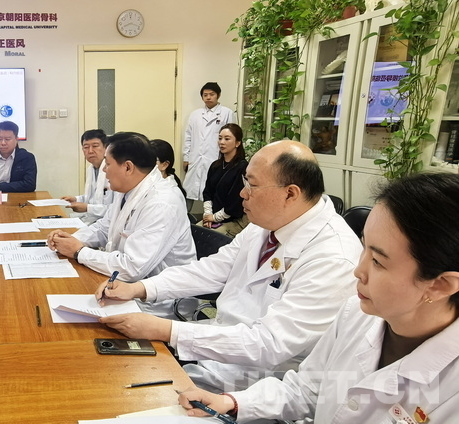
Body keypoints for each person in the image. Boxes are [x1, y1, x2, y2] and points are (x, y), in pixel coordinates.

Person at [179, 173, 459, 423]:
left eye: (378, 261)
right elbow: (308, 388)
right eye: (364, 248)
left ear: (441, 285)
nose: (358, 270)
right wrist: (234, 402)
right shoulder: (356, 313)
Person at [96, 140, 362, 392]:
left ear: (290, 193)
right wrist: (140, 288)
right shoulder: (268, 224)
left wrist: (167, 330)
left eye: (252, 185)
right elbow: (212, 269)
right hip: (214, 358)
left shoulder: (333, 258)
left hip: (256, 385)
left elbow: (268, 344)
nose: (242, 193)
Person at [48, 132, 195, 282]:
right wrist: (70, 240)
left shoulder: (161, 203)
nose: (104, 170)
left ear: (128, 167)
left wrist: (79, 252)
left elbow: (132, 267)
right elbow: (103, 228)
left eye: (108, 164)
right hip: (128, 282)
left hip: (161, 290)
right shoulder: (127, 189)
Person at [182, 82, 236, 210]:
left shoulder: (227, 113)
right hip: (196, 158)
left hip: (216, 159)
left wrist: (230, 160)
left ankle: (211, 217)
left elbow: (233, 137)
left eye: (212, 94)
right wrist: (186, 157)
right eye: (205, 95)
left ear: (218, 95)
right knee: (189, 190)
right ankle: (184, 216)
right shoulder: (195, 115)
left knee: (214, 191)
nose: (208, 97)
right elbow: (188, 137)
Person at [202, 123, 249, 237]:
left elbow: (235, 202)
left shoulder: (242, 167)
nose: (221, 142)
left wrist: (215, 218)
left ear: (237, 143)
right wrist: (208, 215)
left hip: (234, 219)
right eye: (220, 138)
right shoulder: (215, 165)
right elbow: (208, 192)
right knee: (195, 231)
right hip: (213, 217)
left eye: (227, 139)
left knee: (208, 237)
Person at [60, 129, 116, 225]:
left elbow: (116, 209)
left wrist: (87, 208)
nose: (90, 151)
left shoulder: (113, 170)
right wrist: (76, 199)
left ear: (105, 148)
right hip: (93, 220)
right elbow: (93, 198)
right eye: (86, 147)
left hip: (106, 223)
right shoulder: (91, 169)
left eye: (95, 146)